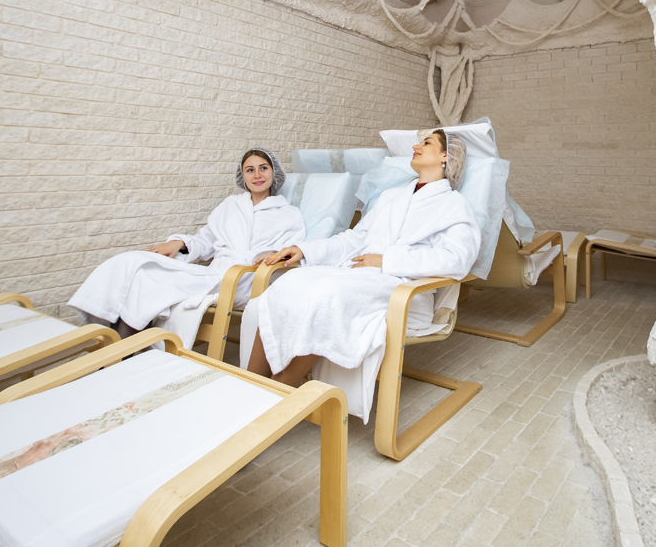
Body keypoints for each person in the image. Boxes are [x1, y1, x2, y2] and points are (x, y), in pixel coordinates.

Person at [241, 129, 480, 422]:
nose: (416, 146)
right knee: (288, 283)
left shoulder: (454, 205)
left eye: (427, 142)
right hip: (360, 277)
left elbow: (458, 259)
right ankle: (249, 387)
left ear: (446, 156)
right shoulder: (392, 197)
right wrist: (303, 250)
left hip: (403, 289)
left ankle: (275, 396)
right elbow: (355, 239)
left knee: (325, 296)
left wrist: (387, 260)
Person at [68, 148, 305, 347]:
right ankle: (119, 349)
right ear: (242, 176)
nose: (257, 175)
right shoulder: (230, 205)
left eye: (263, 168)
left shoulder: (288, 214)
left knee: (151, 284)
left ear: (274, 172)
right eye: (250, 170)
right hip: (215, 274)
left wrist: (273, 256)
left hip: (245, 280)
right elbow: (206, 239)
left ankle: (118, 355)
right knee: (138, 266)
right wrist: (179, 244)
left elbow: (290, 252)